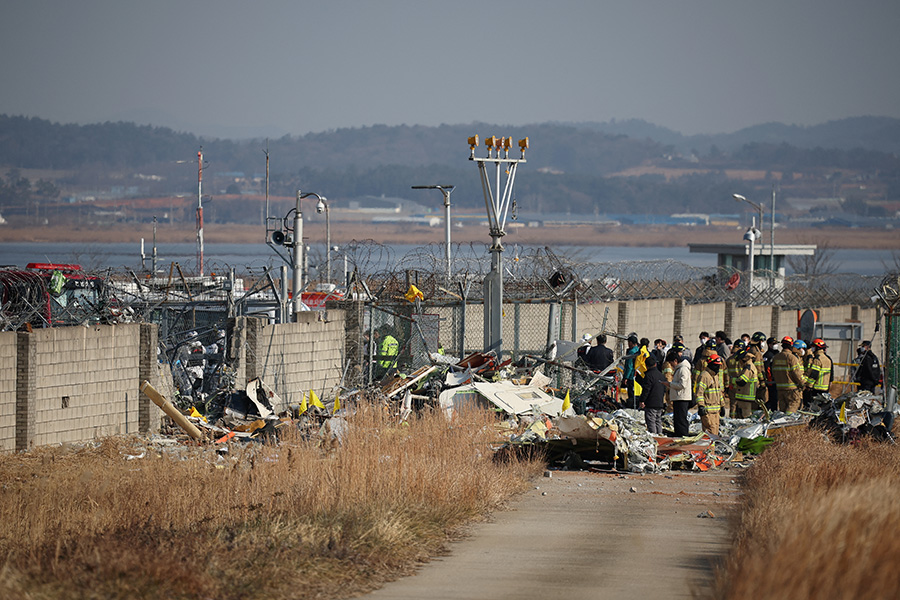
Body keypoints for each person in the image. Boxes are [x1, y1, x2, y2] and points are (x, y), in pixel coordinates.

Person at [772, 336, 805, 413]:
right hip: (791, 389)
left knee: (782, 409)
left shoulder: (776, 357)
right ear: (791, 345)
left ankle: (782, 422)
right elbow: (796, 373)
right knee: (793, 406)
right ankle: (788, 422)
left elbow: (774, 372)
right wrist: (803, 383)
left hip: (780, 388)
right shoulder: (792, 358)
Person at [695, 353, 725, 435]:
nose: (718, 368)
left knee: (715, 433)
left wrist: (722, 405)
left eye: (719, 365)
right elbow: (699, 393)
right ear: (710, 364)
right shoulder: (704, 376)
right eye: (716, 365)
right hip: (707, 411)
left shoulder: (715, 376)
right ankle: (709, 448)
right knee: (710, 433)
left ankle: (713, 448)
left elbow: (719, 393)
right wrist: (701, 406)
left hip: (716, 411)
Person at [666, 347, 693, 437]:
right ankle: (678, 434)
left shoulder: (683, 369)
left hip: (682, 398)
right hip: (678, 397)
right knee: (677, 418)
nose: (671, 365)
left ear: (675, 360)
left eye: (671, 363)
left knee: (681, 419)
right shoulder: (679, 369)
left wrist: (670, 384)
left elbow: (682, 385)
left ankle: (683, 435)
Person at [637, 354, 666, 435]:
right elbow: (664, 389)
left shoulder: (648, 376)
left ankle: (654, 438)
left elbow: (646, 389)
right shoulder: (661, 375)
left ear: (646, 366)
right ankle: (660, 436)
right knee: (658, 421)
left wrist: (642, 400)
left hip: (651, 403)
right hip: (659, 402)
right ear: (655, 364)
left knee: (651, 421)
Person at [732, 347, 759, 419]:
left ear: (743, 359)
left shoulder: (748, 367)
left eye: (739, 360)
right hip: (744, 397)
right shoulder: (747, 366)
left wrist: (734, 380)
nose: (739, 362)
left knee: (746, 417)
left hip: (746, 397)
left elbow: (742, 381)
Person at [804, 338, 833, 402]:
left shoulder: (817, 359)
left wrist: (809, 386)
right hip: (825, 388)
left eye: (813, 347)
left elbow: (814, 374)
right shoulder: (828, 359)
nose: (812, 348)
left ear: (818, 348)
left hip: (817, 388)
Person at [748, 331, 768, 410]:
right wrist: (762, 380)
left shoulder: (751, 350)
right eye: (763, 341)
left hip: (751, 380)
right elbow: (759, 368)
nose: (763, 343)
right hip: (757, 381)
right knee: (758, 401)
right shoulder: (757, 353)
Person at [622, 333, 640, 408]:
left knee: (631, 393)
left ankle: (631, 406)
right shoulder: (638, 350)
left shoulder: (631, 352)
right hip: (637, 375)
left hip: (631, 376)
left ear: (631, 343)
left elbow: (629, 366)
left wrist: (626, 377)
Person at [762, 337, 779, 412]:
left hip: (778, 380)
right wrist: (770, 380)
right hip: (772, 381)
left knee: (777, 398)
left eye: (776, 344)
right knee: (773, 399)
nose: (776, 345)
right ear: (769, 345)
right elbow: (767, 368)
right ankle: (769, 410)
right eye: (774, 344)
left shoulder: (777, 353)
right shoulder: (767, 355)